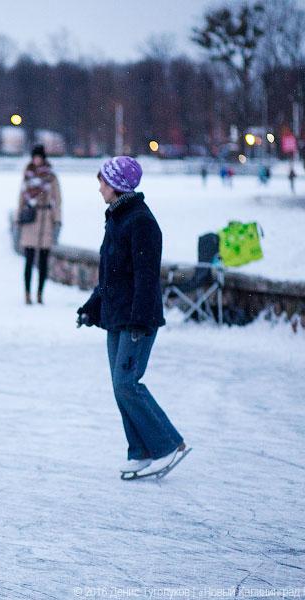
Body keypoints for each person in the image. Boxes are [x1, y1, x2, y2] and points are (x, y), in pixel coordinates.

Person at [76, 156, 190, 480]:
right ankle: (139, 451)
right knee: (119, 386)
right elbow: (111, 275)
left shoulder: (140, 221)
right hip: (116, 316)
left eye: (102, 182)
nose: (99, 188)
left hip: (136, 319)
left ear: (116, 185)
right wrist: (91, 307)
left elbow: (145, 276)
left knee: (128, 383)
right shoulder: (117, 218)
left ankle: (168, 444)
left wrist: (140, 320)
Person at [16, 144, 62, 305]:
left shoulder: (51, 177)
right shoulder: (27, 175)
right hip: (30, 219)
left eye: (39, 157)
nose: (37, 160)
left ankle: (40, 293)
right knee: (28, 260)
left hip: (45, 221)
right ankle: (27, 293)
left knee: (43, 261)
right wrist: (18, 218)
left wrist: (57, 221)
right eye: (35, 157)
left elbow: (58, 200)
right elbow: (21, 197)